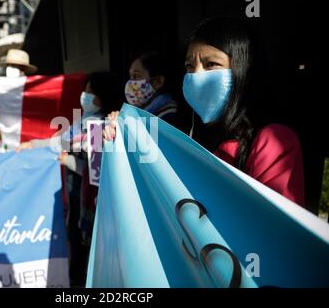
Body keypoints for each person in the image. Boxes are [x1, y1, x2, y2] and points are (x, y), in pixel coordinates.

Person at [105, 17, 305, 206]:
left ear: (244, 70)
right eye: (190, 67)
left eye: (211, 64)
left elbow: (274, 229)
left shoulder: (273, 141)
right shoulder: (186, 133)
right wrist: (118, 138)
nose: (196, 76)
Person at [17, 71, 123, 287]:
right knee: (74, 240)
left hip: (89, 204)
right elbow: (60, 142)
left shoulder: (100, 127)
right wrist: (33, 145)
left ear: (104, 96)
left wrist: (66, 160)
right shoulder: (81, 122)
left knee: (84, 246)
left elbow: (95, 172)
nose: (84, 95)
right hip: (75, 198)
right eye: (85, 89)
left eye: (91, 91)